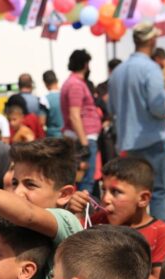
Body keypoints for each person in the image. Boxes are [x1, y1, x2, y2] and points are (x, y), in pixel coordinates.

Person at [0, 138, 82, 279]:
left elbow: (28, 214)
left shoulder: (67, 221)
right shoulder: (10, 229)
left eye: (30, 185)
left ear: (64, 195)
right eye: (15, 183)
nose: (17, 192)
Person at [108, 23, 165, 223]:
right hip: (152, 141)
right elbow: (159, 107)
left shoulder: (118, 71)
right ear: (152, 40)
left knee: (132, 193)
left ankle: (135, 235)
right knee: (158, 191)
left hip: (127, 143)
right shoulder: (151, 69)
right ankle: (158, 238)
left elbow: (111, 108)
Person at [73, 158, 165, 279]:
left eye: (115, 192)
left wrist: (127, 259)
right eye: (104, 190)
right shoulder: (99, 221)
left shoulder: (161, 233)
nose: (105, 199)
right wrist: (73, 213)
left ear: (143, 199)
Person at [61, 49, 102, 194]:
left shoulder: (72, 82)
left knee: (83, 181)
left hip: (80, 137)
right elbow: (74, 115)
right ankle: (84, 209)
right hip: (83, 138)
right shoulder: (76, 85)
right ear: (85, 64)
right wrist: (84, 144)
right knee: (86, 183)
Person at [43, 70, 63, 138]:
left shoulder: (44, 99)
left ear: (45, 83)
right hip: (67, 135)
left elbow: (41, 122)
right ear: (57, 80)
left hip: (52, 137)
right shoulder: (65, 96)